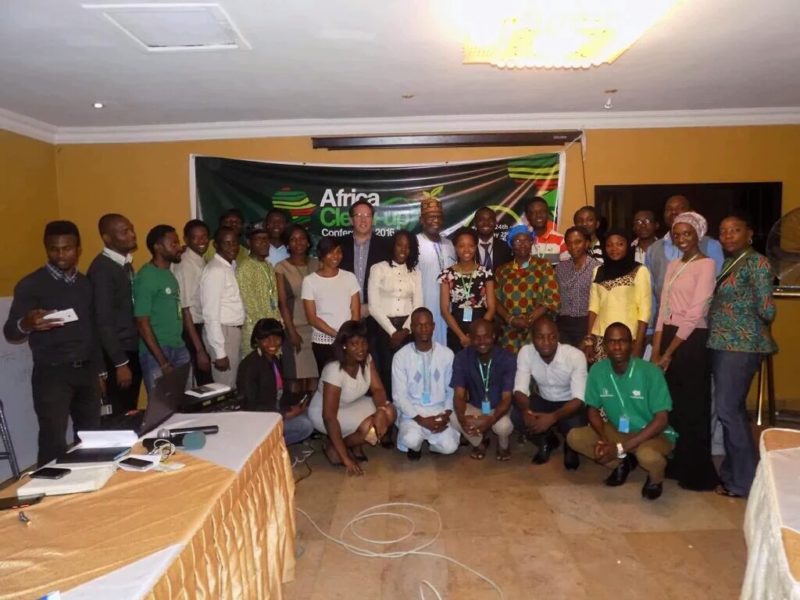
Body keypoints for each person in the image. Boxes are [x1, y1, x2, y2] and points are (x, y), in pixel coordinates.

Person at [3, 221, 102, 466]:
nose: (60, 255)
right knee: (53, 440)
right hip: (52, 374)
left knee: (90, 437)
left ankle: (87, 490)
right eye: (53, 249)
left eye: (66, 248)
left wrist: (100, 371)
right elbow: (10, 332)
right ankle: (48, 496)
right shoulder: (31, 284)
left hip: (87, 371)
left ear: (78, 249)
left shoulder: (85, 283)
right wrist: (26, 323)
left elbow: (93, 330)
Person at [567, 323, 677, 500]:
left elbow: (661, 419)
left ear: (632, 344)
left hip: (652, 434)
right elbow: (592, 410)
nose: (617, 347)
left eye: (622, 341)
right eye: (611, 342)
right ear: (604, 346)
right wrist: (603, 439)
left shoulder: (650, 372)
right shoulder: (597, 370)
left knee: (647, 457)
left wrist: (620, 447)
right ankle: (622, 463)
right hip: (617, 430)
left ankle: (655, 479)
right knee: (575, 437)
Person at [708, 214, 777, 498]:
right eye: (723, 231)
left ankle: (745, 481)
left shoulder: (758, 263)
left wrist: (738, 319)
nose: (728, 236)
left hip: (741, 346)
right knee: (731, 411)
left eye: (735, 230)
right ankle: (732, 474)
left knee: (727, 411)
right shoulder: (731, 263)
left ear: (749, 234)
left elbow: (767, 310)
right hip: (724, 345)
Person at [652, 212, 719, 491]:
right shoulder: (673, 264)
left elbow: (694, 314)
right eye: (677, 234)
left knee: (693, 406)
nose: (681, 239)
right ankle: (677, 462)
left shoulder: (707, 265)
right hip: (668, 335)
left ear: (698, 234)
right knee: (674, 406)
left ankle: (697, 471)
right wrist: (657, 351)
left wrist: (669, 353)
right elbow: (662, 308)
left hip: (690, 341)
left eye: (687, 233)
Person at [308, 320, 397, 475]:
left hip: (353, 403)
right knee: (369, 428)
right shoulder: (334, 370)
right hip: (326, 412)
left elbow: (378, 389)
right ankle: (341, 449)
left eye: (363, 343)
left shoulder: (367, 359)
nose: (361, 348)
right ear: (344, 346)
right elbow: (329, 417)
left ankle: (341, 445)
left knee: (390, 411)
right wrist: (346, 460)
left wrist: (381, 410)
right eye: (354, 344)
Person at [87, 213, 141, 418]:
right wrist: (120, 363)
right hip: (117, 354)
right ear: (107, 238)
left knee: (130, 410)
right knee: (120, 415)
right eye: (124, 231)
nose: (132, 235)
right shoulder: (102, 269)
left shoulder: (125, 264)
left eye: (131, 229)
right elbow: (103, 321)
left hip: (130, 347)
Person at [513, 317, 587, 469]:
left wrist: (552, 418)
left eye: (551, 337)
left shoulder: (575, 356)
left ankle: (571, 446)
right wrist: (526, 411)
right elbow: (520, 389)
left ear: (558, 337)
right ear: (532, 338)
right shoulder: (526, 353)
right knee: (516, 415)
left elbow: (579, 399)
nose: (546, 342)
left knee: (574, 427)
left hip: (569, 403)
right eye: (540, 337)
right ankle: (546, 441)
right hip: (544, 399)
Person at [134, 225, 198, 393]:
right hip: (157, 353)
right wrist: (163, 361)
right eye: (174, 243)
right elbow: (142, 322)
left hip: (178, 347)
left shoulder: (169, 274)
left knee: (186, 402)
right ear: (158, 247)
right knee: (161, 407)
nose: (179, 247)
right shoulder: (146, 276)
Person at [392, 308, 459, 460]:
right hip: (413, 413)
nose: (424, 329)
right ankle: (416, 445)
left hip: (439, 411)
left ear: (434, 326)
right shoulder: (401, 357)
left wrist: (446, 414)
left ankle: (432, 444)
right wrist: (421, 420)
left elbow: (451, 390)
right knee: (411, 440)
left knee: (450, 447)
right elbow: (399, 396)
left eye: (427, 324)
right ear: (412, 328)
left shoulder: (447, 354)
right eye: (418, 325)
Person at [236, 318, 314, 445]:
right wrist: (283, 414)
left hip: (275, 411)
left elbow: (280, 393)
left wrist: (300, 401)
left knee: (312, 413)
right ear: (257, 340)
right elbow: (250, 406)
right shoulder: (250, 365)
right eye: (266, 339)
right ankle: (266, 448)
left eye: (276, 338)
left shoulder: (274, 360)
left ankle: (272, 444)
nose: (272, 343)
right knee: (305, 425)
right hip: (260, 419)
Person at [645, 195, 724, 318]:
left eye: (680, 208)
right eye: (668, 209)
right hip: (665, 322)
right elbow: (651, 292)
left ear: (692, 213)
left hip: (701, 322)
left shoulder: (711, 245)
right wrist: (651, 328)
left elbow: (718, 288)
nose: (674, 212)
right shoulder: (654, 249)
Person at [367, 229, 423, 401]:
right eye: (399, 245)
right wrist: (393, 332)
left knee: (408, 372)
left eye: (407, 247)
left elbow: (418, 305)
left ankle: (408, 413)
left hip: (408, 331)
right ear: (393, 246)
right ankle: (389, 413)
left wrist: (405, 331)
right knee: (387, 372)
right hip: (384, 330)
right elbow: (373, 306)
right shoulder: (378, 269)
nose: (403, 250)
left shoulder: (415, 273)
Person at [450, 319, 515, 461]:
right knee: (453, 417)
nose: (482, 341)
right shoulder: (462, 358)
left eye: (486, 336)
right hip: (476, 406)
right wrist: (462, 419)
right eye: (477, 338)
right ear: (470, 338)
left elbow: (507, 399)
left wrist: (490, 419)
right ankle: (479, 443)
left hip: (499, 407)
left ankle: (503, 445)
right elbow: (459, 395)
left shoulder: (507, 358)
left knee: (503, 426)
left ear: (493, 336)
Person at [584, 229, 651, 362]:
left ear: (628, 245)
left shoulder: (639, 270)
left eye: (620, 244)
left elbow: (644, 310)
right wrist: (589, 340)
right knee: (604, 379)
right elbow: (593, 307)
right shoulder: (598, 271)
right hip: (600, 338)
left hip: (628, 339)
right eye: (609, 245)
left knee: (628, 380)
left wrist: (638, 343)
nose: (614, 248)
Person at [494, 224, 560, 353]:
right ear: (511, 244)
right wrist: (511, 320)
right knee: (511, 369)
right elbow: (495, 301)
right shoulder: (502, 270)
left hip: (537, 329)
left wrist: (529, 320)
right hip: (510, 330)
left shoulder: (543, 265)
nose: (522, 244)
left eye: (526, 240)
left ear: (532, 242)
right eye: (517, 241)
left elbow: (552, 298)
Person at [302, 236, 361, 373]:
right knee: (328, 383)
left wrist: (348, 336)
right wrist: (337, 335)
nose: (336, 256)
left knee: (348, 380)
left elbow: (355, 312)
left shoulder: (349, 277)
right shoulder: (310, 281)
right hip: (323, 343)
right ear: (321, 255)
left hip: (349, 342)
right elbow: (312, 318)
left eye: (338, 251)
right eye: (331, 252)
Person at [275, 224, 320, 399]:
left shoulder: (318, 264)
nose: (298, 242)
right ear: (287, 244)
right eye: (293, 239)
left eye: (302, 238)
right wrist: (291, 331)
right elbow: (282, 302)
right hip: (296, 328)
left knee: (314, 378)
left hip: (317, 329)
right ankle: (295, 419)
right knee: (295, 378)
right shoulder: (281, 267)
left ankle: (312, 420)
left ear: (308, 242)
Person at [199, 226, 245, 388]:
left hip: (233, 332)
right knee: (225, 388)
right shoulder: (215, 271)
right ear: (216, 245)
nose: (232, 247)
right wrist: (220, 353)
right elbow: (210, 315)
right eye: (226, 243)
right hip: (223, 334)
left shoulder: (229, 266)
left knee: (233, 385)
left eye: (234, 242)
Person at [438, 227, 496, 353]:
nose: (466, 250)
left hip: (482, 331)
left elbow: (491, 308)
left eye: (470, 245)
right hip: (456, 329)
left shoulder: (486, 272)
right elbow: (444, 309)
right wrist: (462, 336)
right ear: (455, 248)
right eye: (461, 246)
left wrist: (478, 334)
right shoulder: (446, 274)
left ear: (476, 247)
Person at [171, 219, 212, 385]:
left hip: (200, 326)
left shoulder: (199, 259)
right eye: (196, 237)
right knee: (203, 382)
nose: (201, 241)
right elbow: (185, 308)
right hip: (191, 328)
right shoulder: (186, 264)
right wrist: (200, 350)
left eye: (204, 237)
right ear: (186, 239)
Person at [340, 199, 393, 319]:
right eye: (358, 215)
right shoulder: (339, 246)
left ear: (373, 220)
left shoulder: (386, 247)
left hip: (377, 316)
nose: (363, 220)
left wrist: (370, 306)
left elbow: (391, 282)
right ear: (350, 220)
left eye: (367, 216)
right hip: (344, 313)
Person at [236, 222, 281, 356]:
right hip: (256, 333)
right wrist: (267, 333)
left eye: (266, 239)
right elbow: (250, 305)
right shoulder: (245, 268)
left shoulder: (268, 265)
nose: (264, 243)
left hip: (272, 331)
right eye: (259, 240)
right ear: (249, 243)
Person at [416, 195, 456, 346]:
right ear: (422, 220)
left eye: (439, 217)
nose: (435, 220)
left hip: (449, 311)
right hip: (425, 308)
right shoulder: (415, 243)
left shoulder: (450, 244)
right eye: (430, 217)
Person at [555, 226, 600, 347]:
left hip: (587, 324)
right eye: (569, 243)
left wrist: (590, 336)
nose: (573, 246)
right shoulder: (560, 268)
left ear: (587, 243)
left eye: (578, 242)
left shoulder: (597, 268)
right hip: (563, 326)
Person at [525, 196, 568, 264]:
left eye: (542, 211)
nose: (538, 215)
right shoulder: (523, 240)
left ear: (548, 214)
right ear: (527, 216)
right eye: (533, 212)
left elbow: (566, 268)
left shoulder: (561, 240)